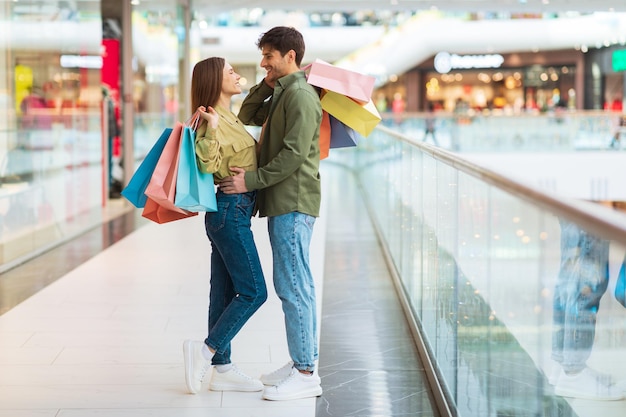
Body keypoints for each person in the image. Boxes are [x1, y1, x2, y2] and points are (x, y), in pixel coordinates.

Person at [219, 26, 323, 401]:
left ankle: (306, 372)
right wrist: (265, 83)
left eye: (269, 56)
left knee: (293, 286)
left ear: (290, 56)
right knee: (295, 284)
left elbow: (294, 155)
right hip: (284, 201)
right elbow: (246, 113)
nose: (263, 63)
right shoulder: (284, 92)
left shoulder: (300, 96)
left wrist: (252, 180)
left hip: (293, 201)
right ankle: (302, 360)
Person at [182, 57, 268, 395]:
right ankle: (205, 351)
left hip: (234, 212)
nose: (236, 73)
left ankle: (223, 367)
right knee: (254, 291)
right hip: (229, 212)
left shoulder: (231, 114)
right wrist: (213, 128)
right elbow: (207, 164)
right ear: (213, 81)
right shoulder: (211, 119)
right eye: (228, 70)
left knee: (223, 294)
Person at [549, 219, 623, 400]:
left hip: (573, 194)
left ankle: (563, 362)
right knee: (586, 284)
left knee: (570, 274)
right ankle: (573, 372)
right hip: (589, 196)